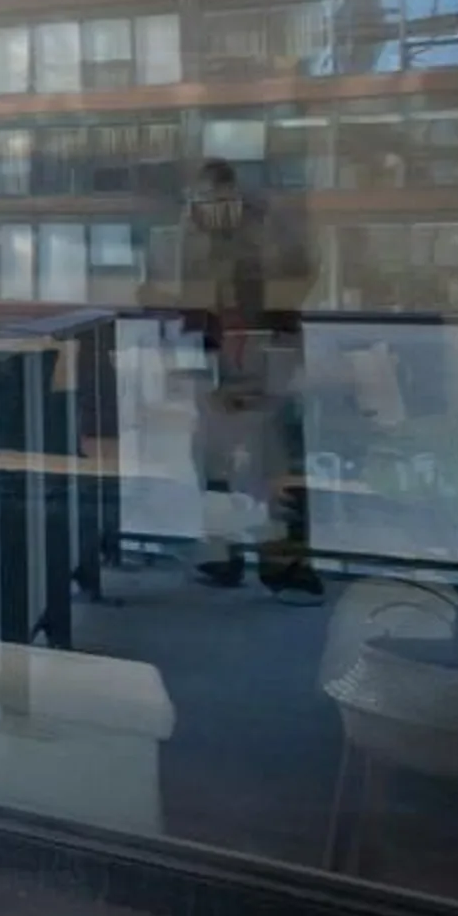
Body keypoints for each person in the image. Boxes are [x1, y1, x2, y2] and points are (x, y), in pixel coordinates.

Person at [178, 159, 318, 596]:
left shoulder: (271, 229)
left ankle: (284, 562)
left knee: (277, 459)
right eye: (203, 201)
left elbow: (297, 280)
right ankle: (222, 554)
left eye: (221, 199)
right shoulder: (191, 234)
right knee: (212, 462)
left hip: (268, 350)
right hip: (216, 351)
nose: (213, 210)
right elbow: (179, 291)